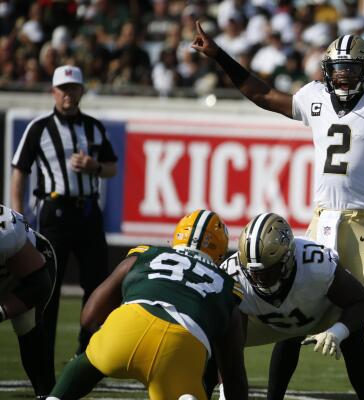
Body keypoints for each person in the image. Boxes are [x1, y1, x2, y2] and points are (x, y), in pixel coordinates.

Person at [191, 21, 364, 400]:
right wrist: (219, 55)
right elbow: (261, 94)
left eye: (350, 70)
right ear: (326, 72)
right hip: (322, 220)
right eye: (337, 70)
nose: (342, 79)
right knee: (294, 317)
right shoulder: (314, 98)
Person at [46, 209, 248, 400]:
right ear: (220, 252)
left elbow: (89, 316)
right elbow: (234, 376)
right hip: (182, 345)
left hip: (130, 322)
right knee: (181, 388)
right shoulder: (228, 285)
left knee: (87, 362)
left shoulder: (146, 253)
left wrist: (105, 338)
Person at [210, 212, 364, 400]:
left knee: (354, 337)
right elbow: (231, 351)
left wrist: (338, 331)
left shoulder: (315, 264)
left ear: (288, 259)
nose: (261, 281)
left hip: (319, 313)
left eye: (269, 272)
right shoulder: (232, 276)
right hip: (265, 322)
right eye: (254, 274)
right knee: (212, 346)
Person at [10, 65, 118, 364]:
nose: (68, 94)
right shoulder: (39, 128)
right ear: (53, 92)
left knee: (98, 285)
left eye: (73, 88)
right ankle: (43, 359)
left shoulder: (94, 127)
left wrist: (94, 167)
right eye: (63, 89)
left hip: (88, 211)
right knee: (49, 288)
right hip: (54, 213)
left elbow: (112, 166)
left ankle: (87, 353)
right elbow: (19, 170)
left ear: (82, 91)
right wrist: (18, 217)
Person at [0, 204, 56, 398]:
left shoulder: (5, 233)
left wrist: (2, 311)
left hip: (27, 273)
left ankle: (47, 393)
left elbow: (38, 285)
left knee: (26, 326)